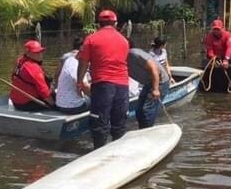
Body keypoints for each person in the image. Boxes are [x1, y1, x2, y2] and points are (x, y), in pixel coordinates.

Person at [77, 10, 130, 148]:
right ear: (115, 23)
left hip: (102, 84)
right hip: (122, 85)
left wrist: (80, 81)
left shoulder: (91, 39)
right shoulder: (124, 40)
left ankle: (99, 151)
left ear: (99, 23)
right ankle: (118, 151)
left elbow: (83, 62)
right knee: (119, 122)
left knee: (99, 121)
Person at [128, 41, 170, 128]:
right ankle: (143, 129)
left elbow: (154, 69)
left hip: (160, 82)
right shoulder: (120, 58)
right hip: (148, 83)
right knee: (139, 110)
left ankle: (148, 130)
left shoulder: (134, 53)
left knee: (147, 109)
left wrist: (155, 89)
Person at [10, 39, 54, 111]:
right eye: (36, 52)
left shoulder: (19, 60)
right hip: (27, 104)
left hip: (15, 102)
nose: (40, 55)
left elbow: (13, 77)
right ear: (28, 53)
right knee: (58, 99)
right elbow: (44, 92)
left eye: (40, 51)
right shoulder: (33, 68)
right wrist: (54, 105)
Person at [54, 37, 90, 114]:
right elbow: (84, 85)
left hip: (60, 103)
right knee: (99, 101)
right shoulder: (77, 65)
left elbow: (56, 75)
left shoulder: (68, 59)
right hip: (71, 107)